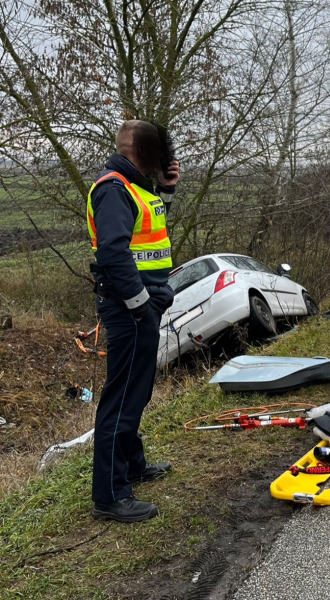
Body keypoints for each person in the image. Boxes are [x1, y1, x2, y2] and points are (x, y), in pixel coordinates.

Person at [87, 120, 179, 522]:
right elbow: (113, 251)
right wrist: (141, 305)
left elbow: (149, 232)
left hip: (143, 306)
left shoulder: (137, 187)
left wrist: (168, 190)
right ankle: (110, 495)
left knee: (136, 393)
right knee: (122, 398)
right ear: (141, 154)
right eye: (159, 157)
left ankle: (134, 465)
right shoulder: (113, 189)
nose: (163, 164)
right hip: (130, 309)